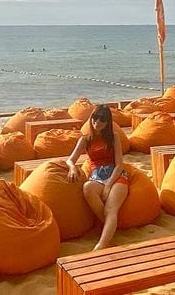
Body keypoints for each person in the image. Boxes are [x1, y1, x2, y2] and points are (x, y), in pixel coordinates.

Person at [66, 104, 128, 250]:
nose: (97, 122)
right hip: (97, 176)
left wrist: (108, 185)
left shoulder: (113, 137)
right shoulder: (85, 140)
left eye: (102, 120)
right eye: (95, 118)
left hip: (115, 175)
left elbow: (119, 164)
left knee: (110, 209)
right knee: (87, 187)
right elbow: (70, 159)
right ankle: (111, 228)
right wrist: (72, 168)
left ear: (107, 122)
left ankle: (101, 245)